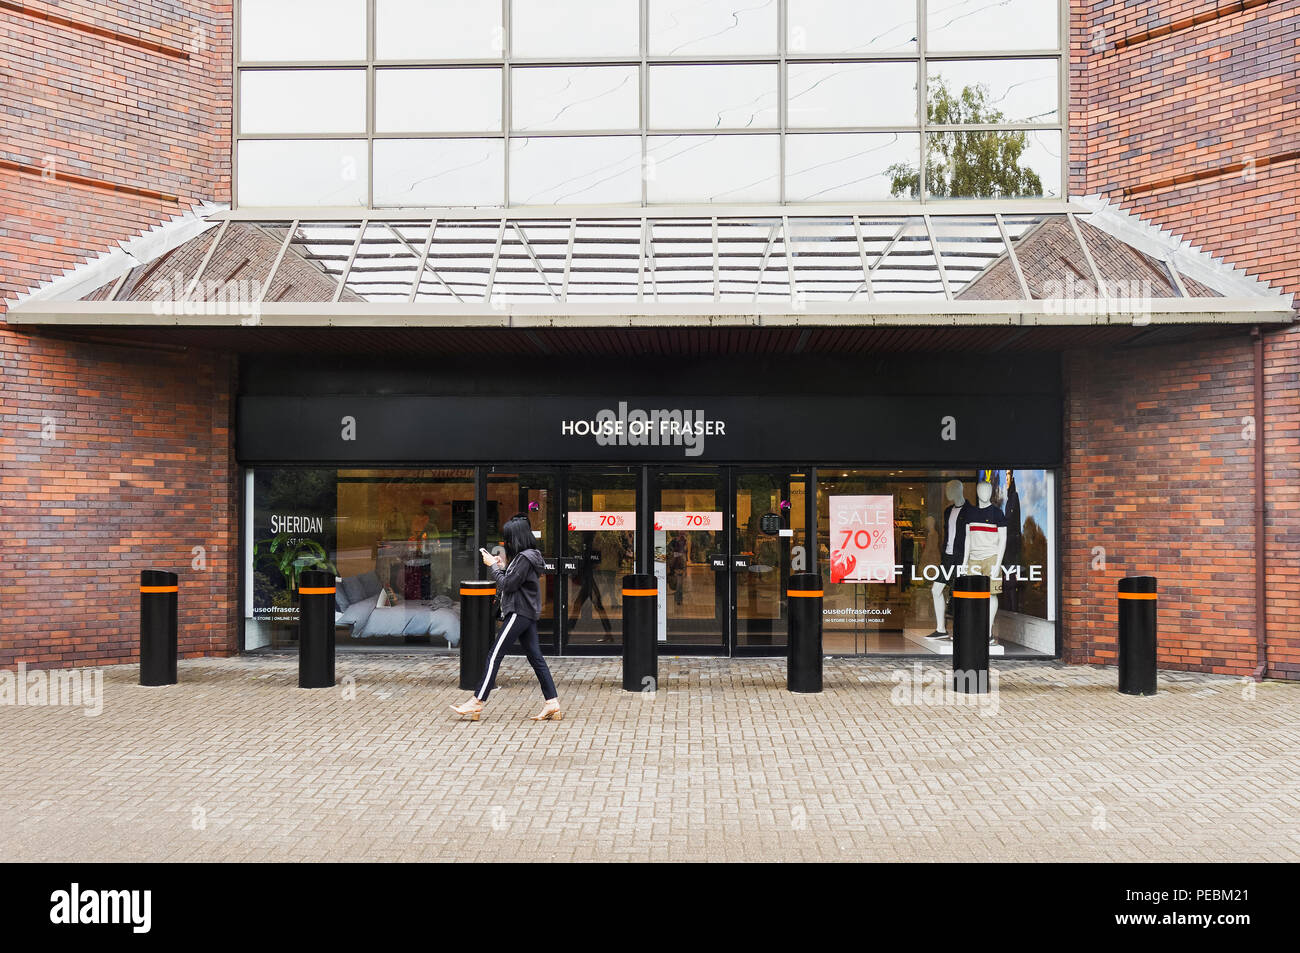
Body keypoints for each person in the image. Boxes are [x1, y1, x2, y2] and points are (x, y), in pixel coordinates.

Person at [450, 514, 561, 722]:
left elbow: (507, 585)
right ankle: (552, 702)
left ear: (516, 538)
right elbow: (512, 580)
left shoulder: (524, 558)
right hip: (526, 613)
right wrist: (501, 567)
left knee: (494, 655)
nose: (506, 542)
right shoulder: (528, 556)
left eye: (508, 538)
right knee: (536, 658)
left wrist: (492, 565)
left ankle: (477, 701)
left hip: (519, 612)